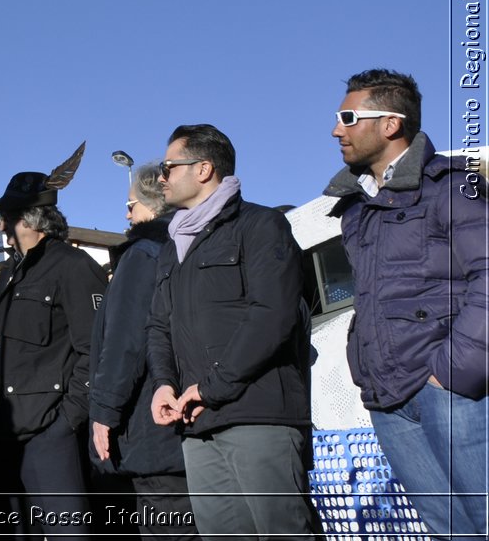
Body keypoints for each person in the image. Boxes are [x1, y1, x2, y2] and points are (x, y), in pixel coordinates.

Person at [326, 69, 488, 540]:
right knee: (448, 531)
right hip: (388, 400)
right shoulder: (355, 211)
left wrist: (451, 372)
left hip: (454, 391)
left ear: (391, 123)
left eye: (348, 117)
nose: (337, 129)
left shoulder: (451, 188)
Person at [146, 124, 323, 539]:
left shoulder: (261, 225)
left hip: (258, 415)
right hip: (195, 424)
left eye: (169, 166)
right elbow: (159, 325)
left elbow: (272, 316)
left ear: (204, 169)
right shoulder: (172, 246)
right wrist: (163, 385)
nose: (161, 177)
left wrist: (212, 387)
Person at [0, 142, 107, 538]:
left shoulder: (74, 267)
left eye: (7, 216)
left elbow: (95, 351)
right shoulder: (10, 275)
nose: (0, 227)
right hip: (1, 436)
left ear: (31, 221)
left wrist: (65, 422)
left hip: (49, 439)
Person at [86, 163, 196, 539]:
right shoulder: (191, 249)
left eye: (131, 205)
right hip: (192, 423)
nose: (126, 214)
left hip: (151, 427)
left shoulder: (142, 255)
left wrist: (103, 410)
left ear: (152, 206)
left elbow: (124, 344)